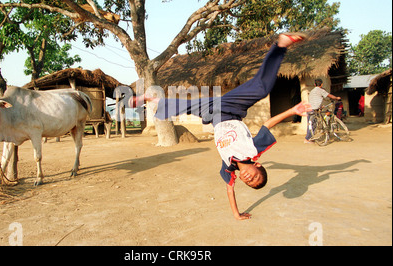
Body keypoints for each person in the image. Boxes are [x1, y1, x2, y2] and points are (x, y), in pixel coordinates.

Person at [130, 33, 311, 220]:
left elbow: (230, 190)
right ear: (257, 165)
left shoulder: (228, 167)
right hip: (232, 108)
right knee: (261, 89)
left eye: (250, 184)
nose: (251, 180)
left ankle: (151, 98)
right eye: (256, 177)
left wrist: (236, 214)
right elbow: (267, 124)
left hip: (211, 114)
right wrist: (292, 110)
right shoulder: (252, 151)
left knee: (180, 108)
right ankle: (281, 45)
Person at [304, 79, 341, 143]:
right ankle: (307, 139)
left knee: (311, 124)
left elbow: (314, 100)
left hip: (309, 109)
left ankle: (310, 137)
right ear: (321, 84)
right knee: (313, 124)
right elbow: (330, 95)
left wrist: (320, 107)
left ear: (314, 84)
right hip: (314, 109)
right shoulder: (321, 90)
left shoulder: (312, 91)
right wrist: (337, 98)